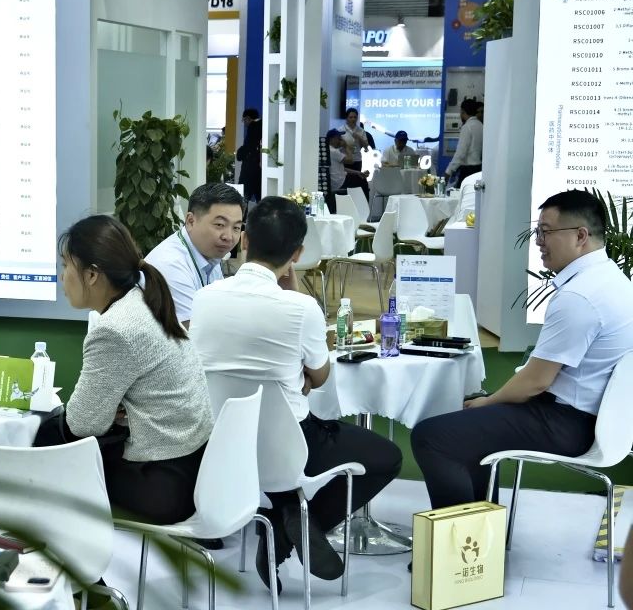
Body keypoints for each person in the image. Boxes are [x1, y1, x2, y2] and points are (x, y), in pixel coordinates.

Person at [189, 196, 402, 593]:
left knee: (286, 427)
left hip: (220, 444)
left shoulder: (204, 299)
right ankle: (294, 522)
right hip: (289, 445)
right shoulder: (301, 309)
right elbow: (319, 376)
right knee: (386, 458)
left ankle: (287, 514)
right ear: (298, 254)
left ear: (245, 240)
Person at [413, 190, 633, 511]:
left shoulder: (580, 296)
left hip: (567, 423)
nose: (539, 242)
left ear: (580, 236)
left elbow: (536, 381)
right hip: (597, 417)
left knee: (432, 437)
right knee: (469, 427)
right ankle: (482, 533)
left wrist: (488, 402)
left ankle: (461, 540)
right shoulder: (613, 279)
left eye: (546, 231)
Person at [36, 215, 214, 525]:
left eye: (66, 266)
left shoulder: (115, 328)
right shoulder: (145, 301)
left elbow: (82, 423)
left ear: (92, 275)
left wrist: (105, 410)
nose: (62, 276)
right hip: (193, 470)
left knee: (44, 447)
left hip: (160, 484)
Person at [144, 182, 245, 327]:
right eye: (219, 225)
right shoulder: (171, 265)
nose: (228, 237)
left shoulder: (209, 253)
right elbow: (193, 333)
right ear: (191, 221)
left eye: (236, 227)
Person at [324, 129, 370, 214]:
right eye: (339, 138)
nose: (340, 140)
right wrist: (346, 146)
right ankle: (365, 210)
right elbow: (351, 160)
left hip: (337, 180)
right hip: (340, 182)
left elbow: (342, 168)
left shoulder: (328, 150)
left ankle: (359, 208)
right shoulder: (333, 151)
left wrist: (358, 173)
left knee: (359, 178)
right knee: (363, 182)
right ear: (332, 139)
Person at [444, 99, 483, 187]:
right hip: (478, 168)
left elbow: (461, 153)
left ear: (463, 111)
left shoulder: (467, 127)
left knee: (462, 193)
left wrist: (449, 171)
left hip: (467, 170)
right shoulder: (480, 125)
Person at [338, 107, 371, 200]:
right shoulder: (341, 130)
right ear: (346, 118)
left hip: (357, 160)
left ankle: (356, 201)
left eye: (355, 117)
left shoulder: (361, 130)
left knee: (356, 182)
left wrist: (359, 137)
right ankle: (345, 201)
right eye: (351, 117)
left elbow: (366, 146)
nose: (353, 119)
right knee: (346, 182)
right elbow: (337, 145)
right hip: (345, 159)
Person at [236, 108, 262, 202]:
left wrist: (240, 154)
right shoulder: (263, 126)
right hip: (260, 170)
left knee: (243, 198)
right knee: (260, 198)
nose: (244, 123)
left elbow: (248, 147)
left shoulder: (253, 127)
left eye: (244, 120)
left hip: (249, 169)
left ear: (248, 118)